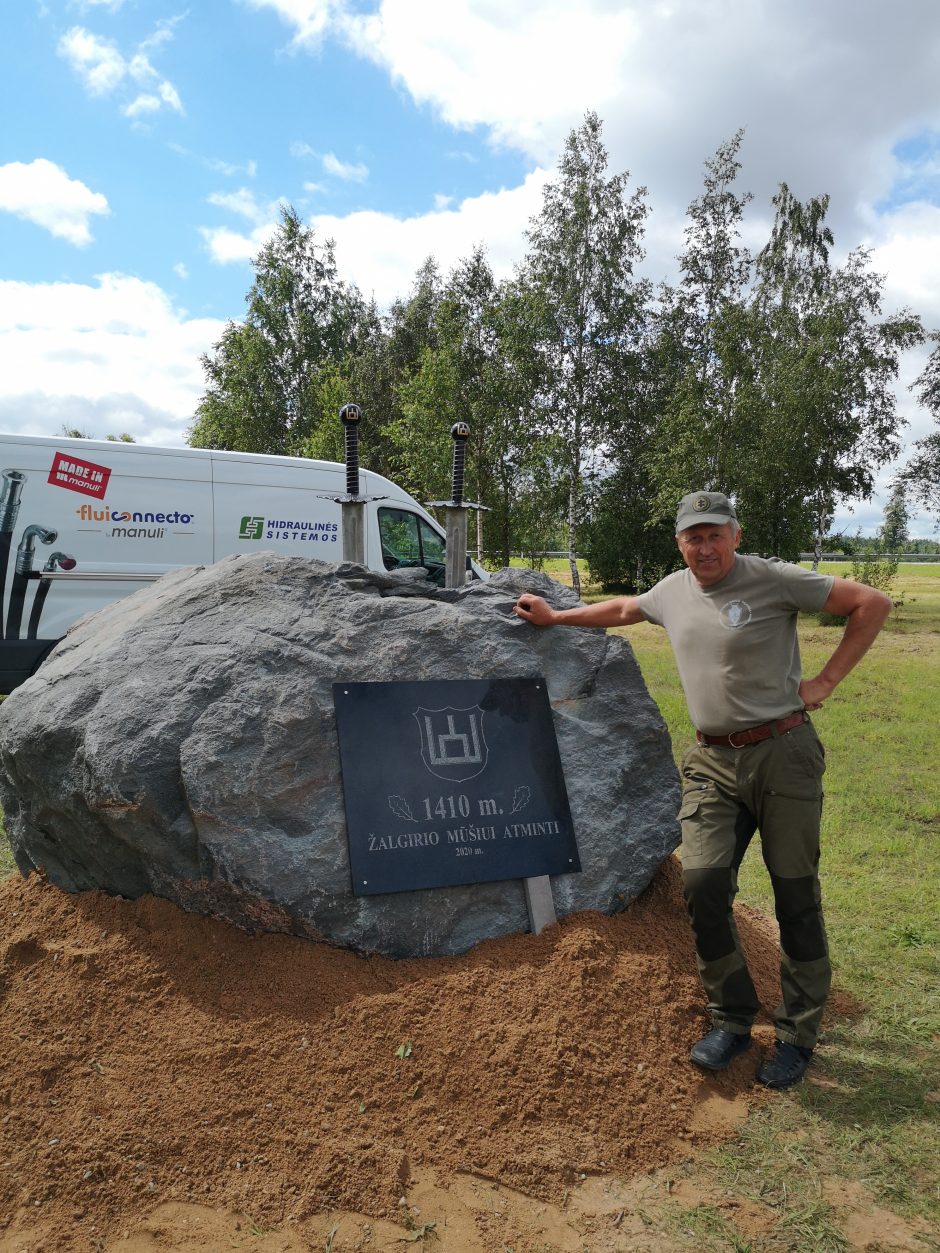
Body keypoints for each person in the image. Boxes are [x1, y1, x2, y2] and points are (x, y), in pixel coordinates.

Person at [513, 491, 891, 1089]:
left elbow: (871, 601)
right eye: (694, 537)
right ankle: (731, 1017)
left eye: (716, 534)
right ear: (680, 543)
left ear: (735, 536)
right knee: (703, 882)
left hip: (783, 754)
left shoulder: (773, 578)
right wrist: (556, 618)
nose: (705, 546)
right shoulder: (671, 590)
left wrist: (826, 679)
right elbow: (622, 611)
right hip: (712, 760)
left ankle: (796, 1033)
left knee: (795, 893)